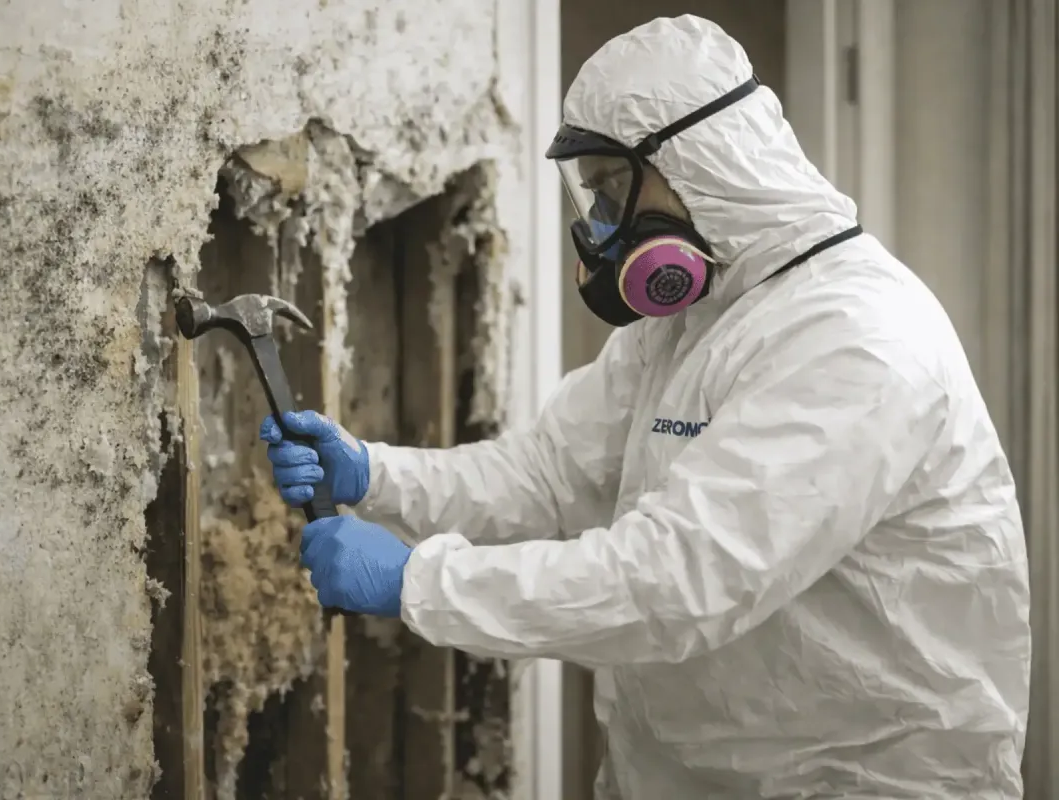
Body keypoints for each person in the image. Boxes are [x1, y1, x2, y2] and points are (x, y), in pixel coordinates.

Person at [259, 14, 1031, 799]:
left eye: (610, 190)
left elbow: (681, 577)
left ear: (696, 160)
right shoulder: (693, 315)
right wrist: (372, 476)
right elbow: (548, 478)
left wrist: (419, 583)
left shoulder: (856, 340)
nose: (598, 228)